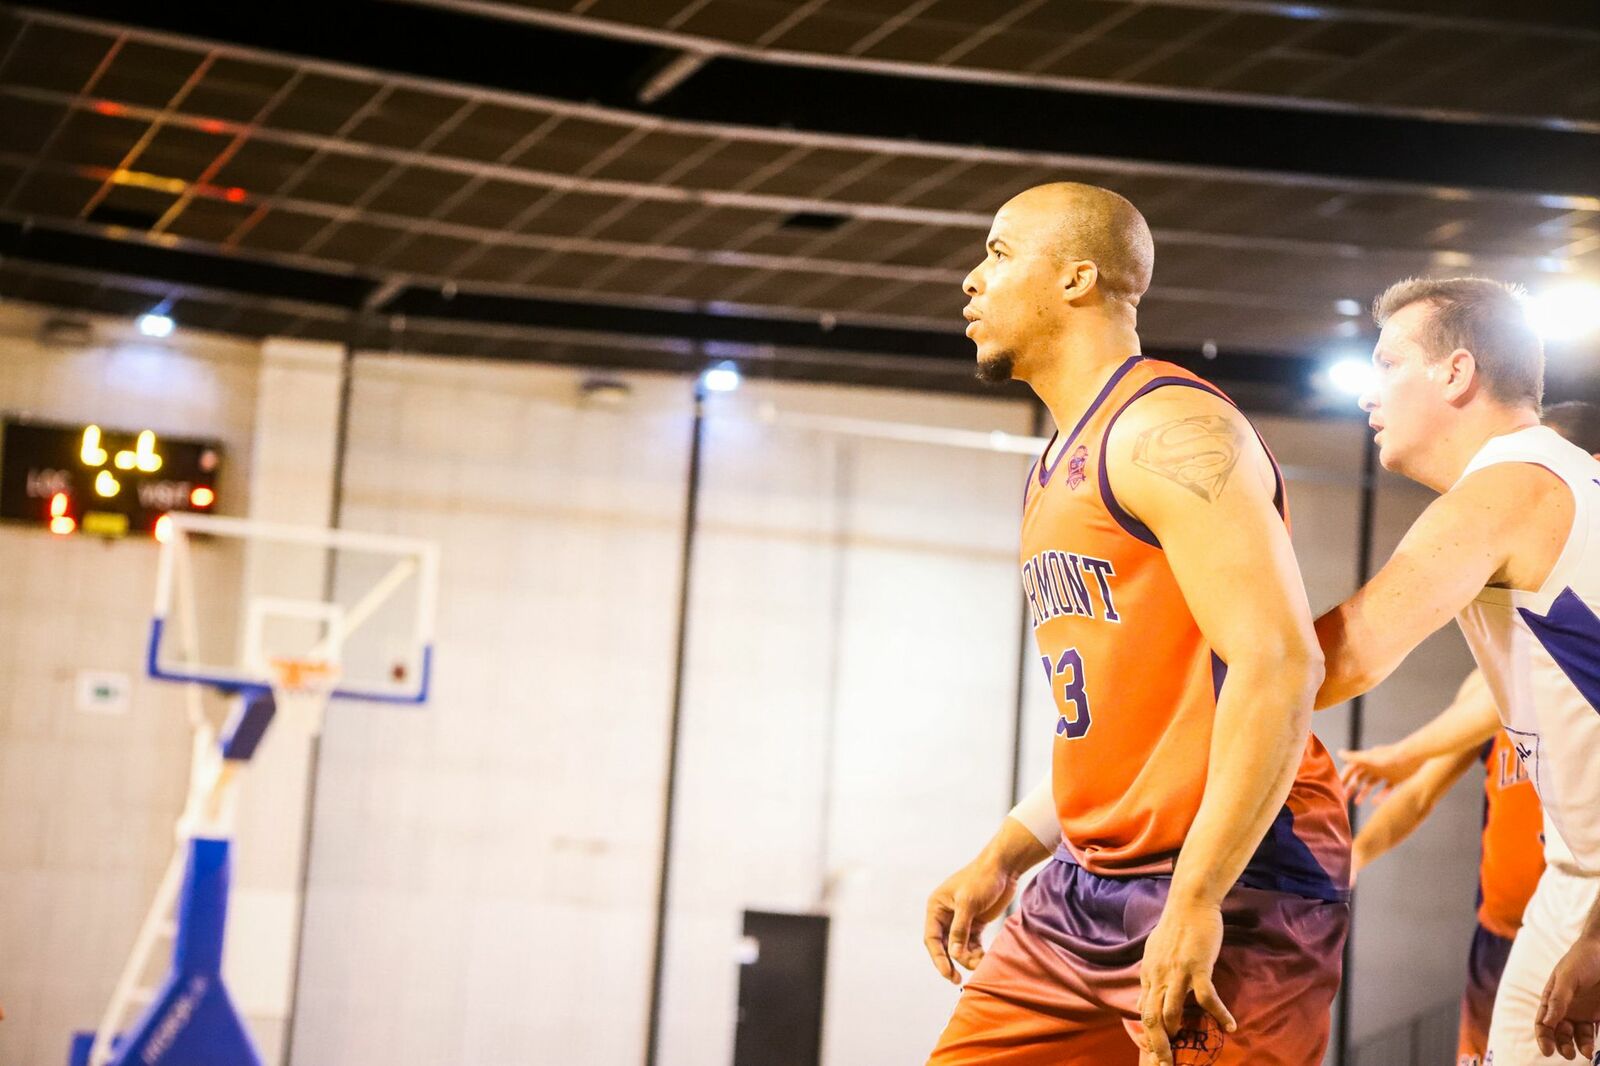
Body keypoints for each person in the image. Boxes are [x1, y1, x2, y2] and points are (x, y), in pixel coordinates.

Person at [923, 181, 1350, 1066]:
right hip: (1087, 881)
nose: (971, 279)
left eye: (998, 253)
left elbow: (1279, 664)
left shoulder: (1166, 429)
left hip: (1234, 875)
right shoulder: (1060, 458)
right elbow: (1134, 716)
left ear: (1077, 278)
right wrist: (1006, 852)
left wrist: (1197, 896)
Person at [1310, 279, 1600, 1063]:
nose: (1369, 392)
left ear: (1457, 372)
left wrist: (1189, 659)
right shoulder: (1552, 479)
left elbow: (1340, 659)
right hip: (1573, 877)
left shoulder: (1510, 487)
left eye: (1388, 364)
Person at [1344, 668, 1543, 1066]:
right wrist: (1354, 856)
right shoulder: (1492, 677)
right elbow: (1418, 794)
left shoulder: (1573, 663)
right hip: (1499, 940)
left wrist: (1404, 753)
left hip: (1576, 933)